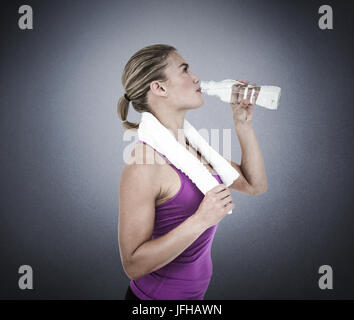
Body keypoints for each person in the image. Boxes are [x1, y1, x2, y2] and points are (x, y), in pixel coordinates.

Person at [117, 44, 268, 300]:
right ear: (160, 87)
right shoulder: (144, 164)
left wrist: (243, 124)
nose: (196, 77)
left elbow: (255, 185)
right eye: (185, 70)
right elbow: (133, 266)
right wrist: (201, 220)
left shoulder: (194, 149)